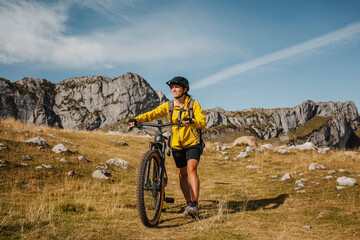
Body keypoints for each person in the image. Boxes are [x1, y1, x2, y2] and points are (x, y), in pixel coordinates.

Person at [128, 76, 207, 218]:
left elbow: (202, 122)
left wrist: (191, 121)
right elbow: (152, 114)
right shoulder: (169, 106)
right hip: (176, 145)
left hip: (192, 144)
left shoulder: (193, 105)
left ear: (185, 89)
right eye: (172, 88)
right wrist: (137, 119)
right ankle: (188, 203)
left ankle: (194, 205)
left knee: (191, 170)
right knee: (182, 175)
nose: (174, 90)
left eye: (176, 87)